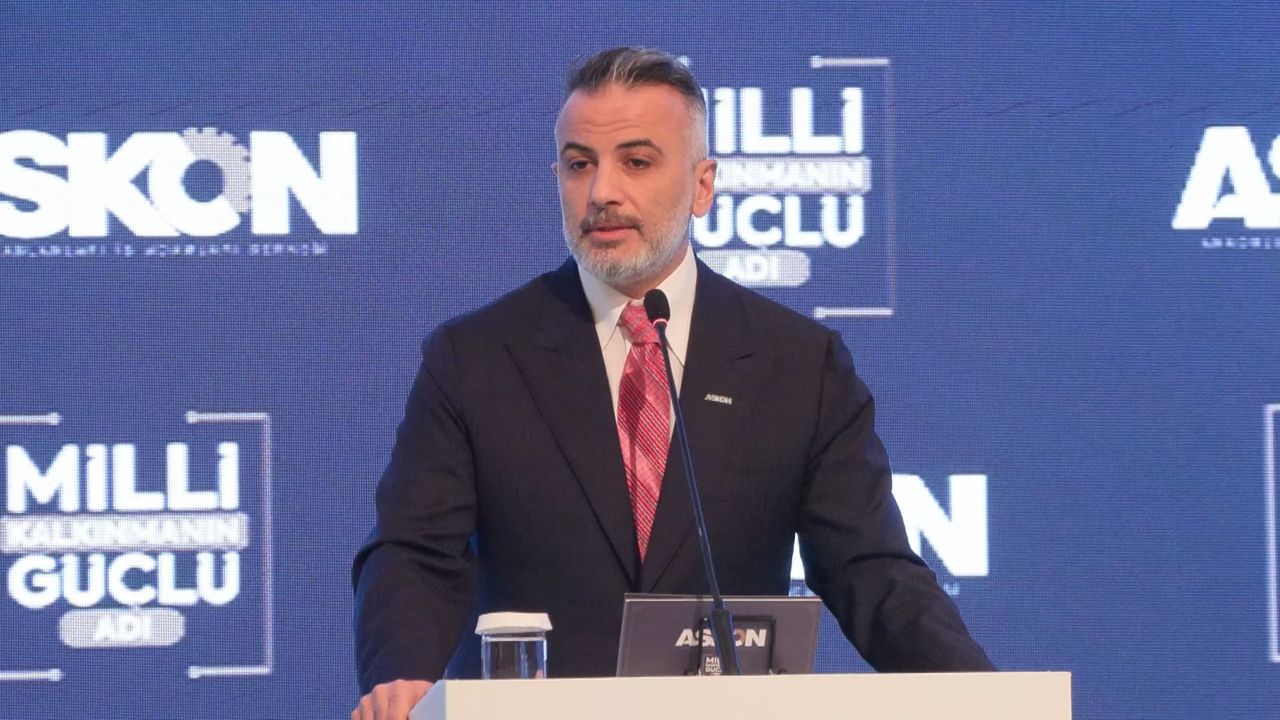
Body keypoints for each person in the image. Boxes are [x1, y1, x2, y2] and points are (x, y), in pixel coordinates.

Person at [351, 46, 993, 720]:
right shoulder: (477, 357)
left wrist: (985, 697)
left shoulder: (799, 364)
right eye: (579, 164)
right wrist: (403, 680)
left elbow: (871, 570)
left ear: (702, 185)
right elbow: (414, 553)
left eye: (636, 162)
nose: (601, 192)